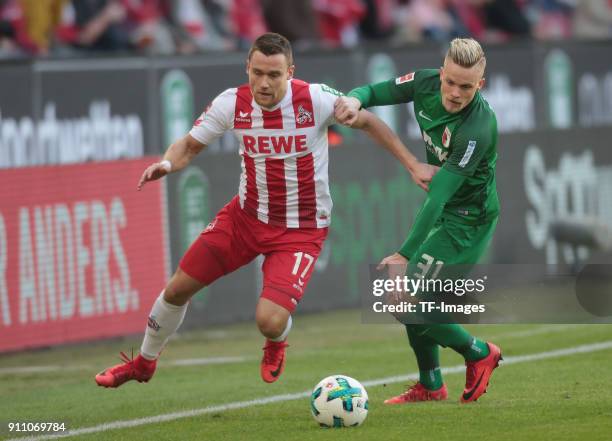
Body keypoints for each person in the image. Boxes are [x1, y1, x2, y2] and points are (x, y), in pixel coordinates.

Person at [95, 32, 436, 388]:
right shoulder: (232, 104)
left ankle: (276, 342)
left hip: (300, 230)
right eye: (257, 72)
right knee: (177, 289)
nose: (264, 82)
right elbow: (189, 146)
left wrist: (412, 163)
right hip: (245, 218)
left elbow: (368, 122)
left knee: (269, 321)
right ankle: (143, 364)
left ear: (290, 72)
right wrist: (166, 165)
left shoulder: (315, 99)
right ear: (247, 68)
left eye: (274, 74)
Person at [335, 37, 502, 404]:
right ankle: (431, 384)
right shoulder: (424, 82)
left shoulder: (478, 127)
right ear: (441, 73)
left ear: (481, 85)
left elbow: (439, 195)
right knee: (405, 296)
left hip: (468, 221)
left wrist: (404, 254)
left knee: (405, 295)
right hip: (446, 211)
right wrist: (355, 98)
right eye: (451, 82)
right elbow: (376, 91)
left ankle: (478, 353)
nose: (455, 93)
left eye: (467, 86)